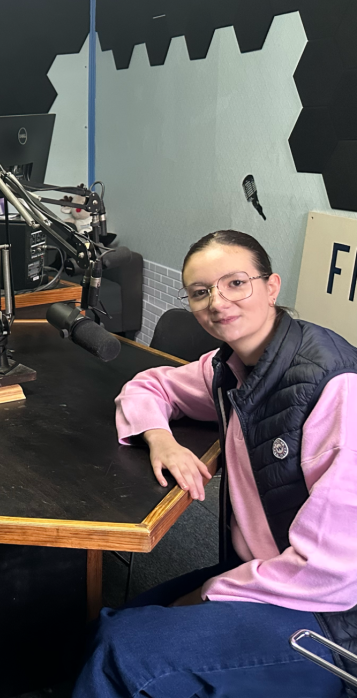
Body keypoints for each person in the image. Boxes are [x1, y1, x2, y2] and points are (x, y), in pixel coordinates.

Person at [74, 230, 357, 698]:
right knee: (114, 624)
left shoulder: (336, 388)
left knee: (125, 653)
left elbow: (330, 572)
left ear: (271, 287)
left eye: (236, 283)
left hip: (329, 620)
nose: (217, 302)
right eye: (200, 291)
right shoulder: (227, 367)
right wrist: (161, 439)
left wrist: (206, 594)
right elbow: (147, 386)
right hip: (267, 571)